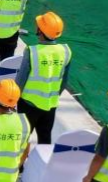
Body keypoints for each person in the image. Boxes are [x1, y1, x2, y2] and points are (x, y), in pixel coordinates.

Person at [14, 12, 72, 145]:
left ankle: (20, 159)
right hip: (50, 104)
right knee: (45, 139)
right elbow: (64, 81)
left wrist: (13, 100)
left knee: (22, 140)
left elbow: (20, 81)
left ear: (40, 31)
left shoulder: (32, 52)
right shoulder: (65, 51)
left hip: (28, 104)